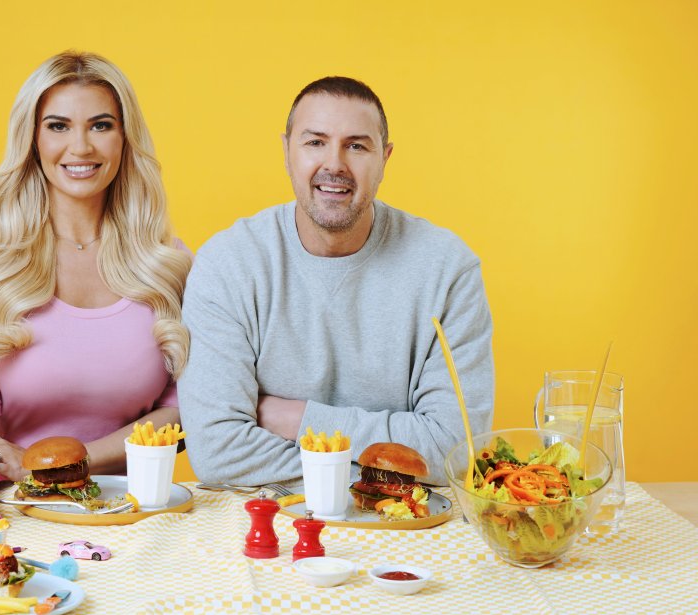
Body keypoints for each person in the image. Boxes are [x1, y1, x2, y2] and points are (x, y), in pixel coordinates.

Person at [179, 76, 493, 486]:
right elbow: (218, 453)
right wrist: (388, 464)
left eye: (357, 146)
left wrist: (299, 419)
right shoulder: (228, 265)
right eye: (315, 142)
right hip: (266, 530)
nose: (335, 164)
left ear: (385, 158)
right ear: (287, 151)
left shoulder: (448, 270)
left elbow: (454, 451)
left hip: (407, 531)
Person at [0, 51, 191, 525]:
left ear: (124, 138)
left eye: (100, 125)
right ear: (32, 140)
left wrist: (51, 463)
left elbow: (182, 415)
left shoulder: (169, 263)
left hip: (137, 514)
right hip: (20, 514)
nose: (81, 147)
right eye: (58, 126)